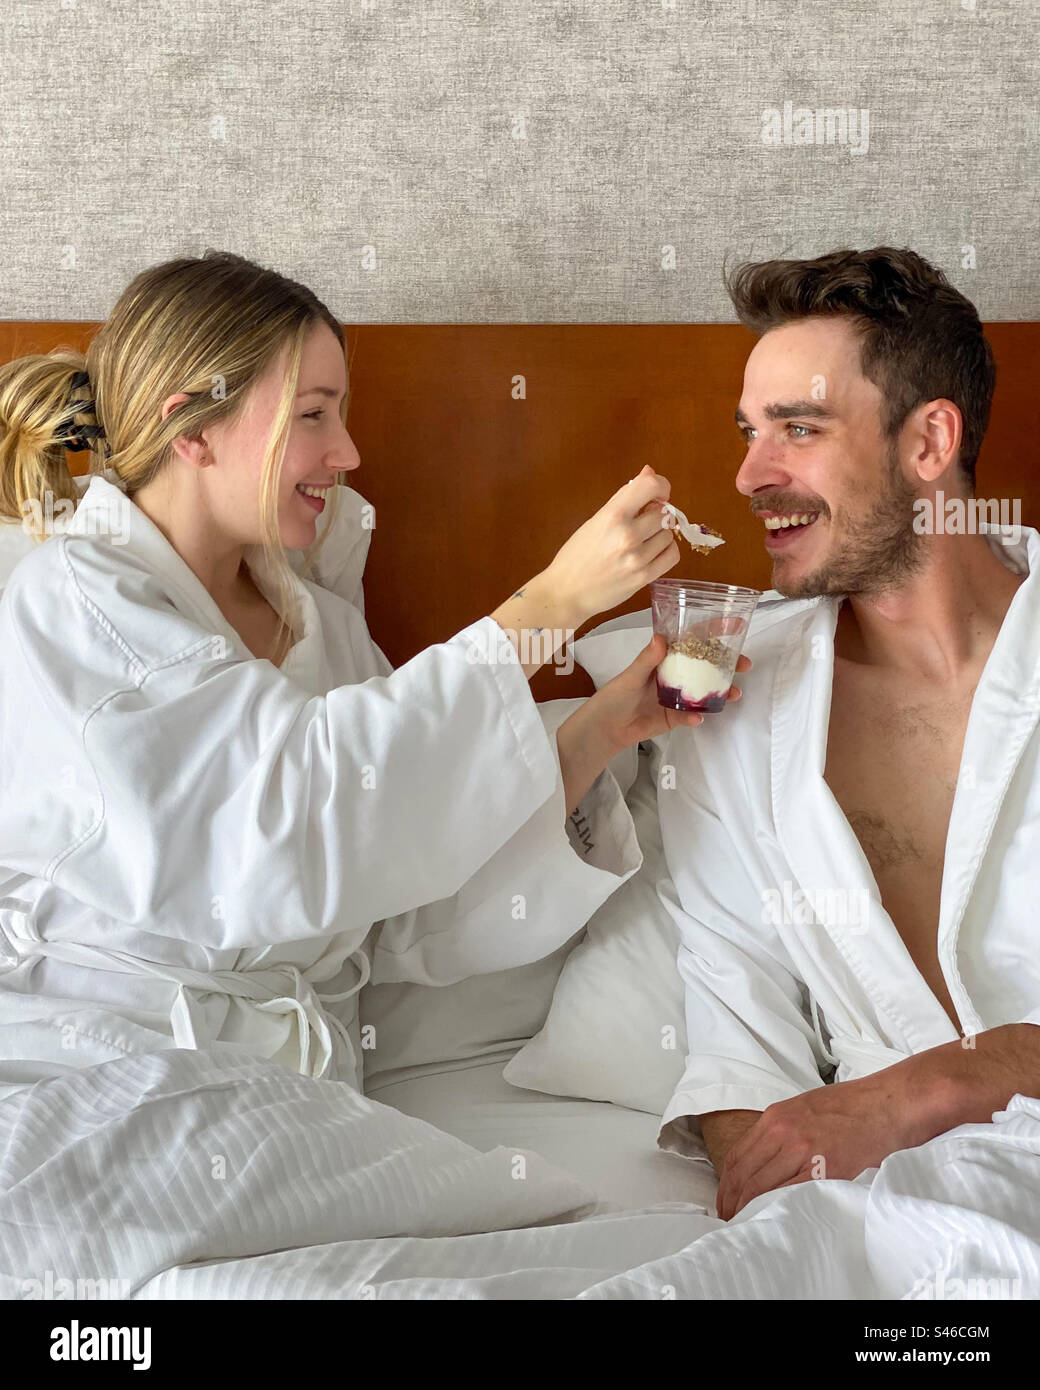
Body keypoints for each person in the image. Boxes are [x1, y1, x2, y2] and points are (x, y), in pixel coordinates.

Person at [0, 249, 747, 1101]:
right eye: (315, 414)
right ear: (193, 429)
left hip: (295, 1092)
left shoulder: (326, 635)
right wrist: (549, 605)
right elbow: (278, 826)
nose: (349, 452)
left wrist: (602, 730)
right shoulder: (74, 604)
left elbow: (399, 892)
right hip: (102, 1056)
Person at [655, 246, 1040, 1219]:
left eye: (796, 429)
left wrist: (932, 1084)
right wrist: (780, 1215)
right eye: (748, 433)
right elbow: (737, 1040)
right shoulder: (724, 704)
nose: (747, 474)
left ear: (926, 443)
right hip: (875, 1217)